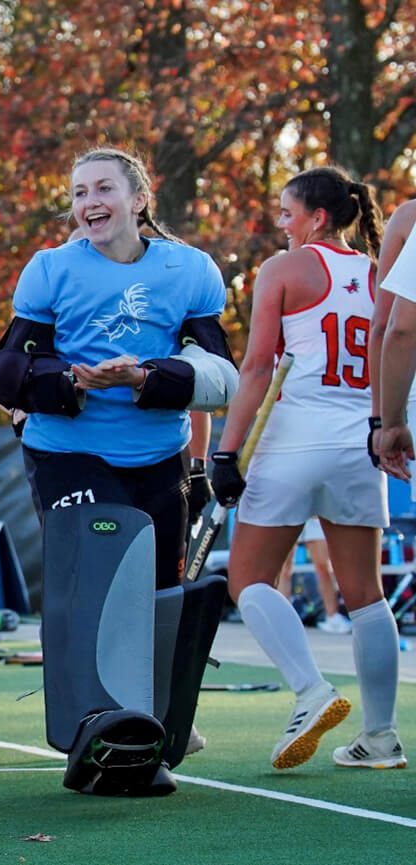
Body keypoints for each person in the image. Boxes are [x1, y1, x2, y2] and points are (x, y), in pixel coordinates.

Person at [0, 147, 236, 796]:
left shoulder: (191, 270)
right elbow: (6, 371)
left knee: (156, 597)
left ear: (138, 200)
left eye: (102, 188)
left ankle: (145, 735)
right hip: (68, 448)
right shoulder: (50, 269)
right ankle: (93, 727)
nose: (88, 202)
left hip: (159, 454)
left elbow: (222, 375)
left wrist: (149, 376)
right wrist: (68, 378)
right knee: (102, 586)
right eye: (77, 192)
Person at [216, 166, 403, 770]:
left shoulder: (282, 269)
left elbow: (256, 370)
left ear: (317, 217)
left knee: (247, 580)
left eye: (286, 211)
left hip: (293, 441)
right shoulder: (381, 273)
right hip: (360, 444)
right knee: (368, 598)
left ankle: (311, 692)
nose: (280, 221)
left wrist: (225, 450)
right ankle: (381, 737)